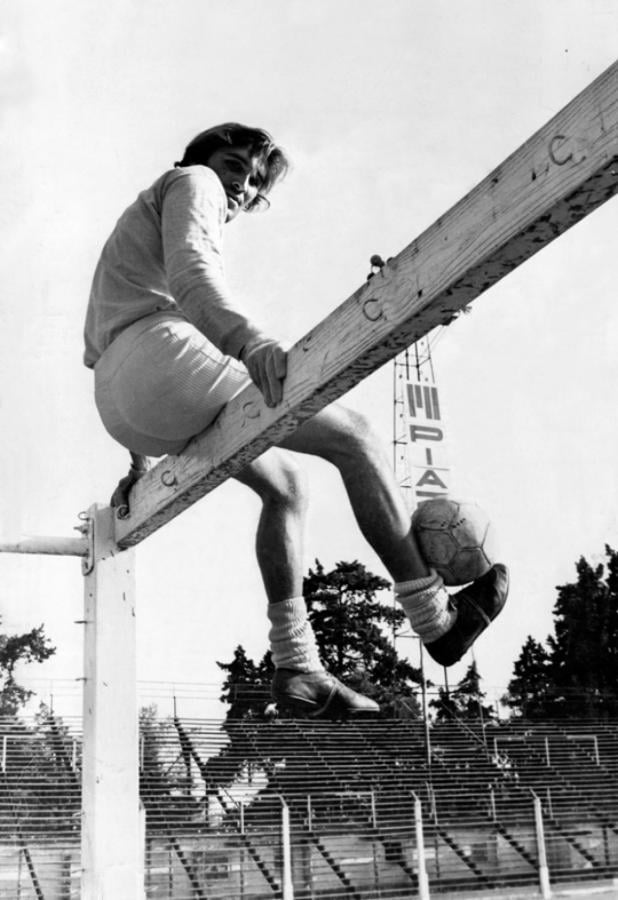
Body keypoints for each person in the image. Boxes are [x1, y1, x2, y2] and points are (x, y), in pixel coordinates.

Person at [84, 123, 509, 718]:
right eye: (235, 166)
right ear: (202, 158)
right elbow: (190, 271)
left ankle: (298, 665)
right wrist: (248, 339)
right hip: (159, 358)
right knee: (356, 436)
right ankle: (436, 619)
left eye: (253, 183)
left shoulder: (148, 225)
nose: (240, 186)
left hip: (121, 400)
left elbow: (131, 319)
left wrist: (139, 459)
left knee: (286, 487)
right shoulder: (193, 180)